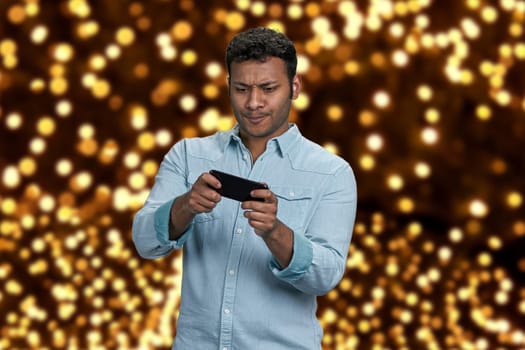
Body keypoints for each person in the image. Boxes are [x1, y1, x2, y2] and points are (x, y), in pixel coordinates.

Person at [132, 26, 357, 350]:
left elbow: (325, 277)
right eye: (241, 88)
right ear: (228, 86)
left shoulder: (332, 173)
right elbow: (144, 241)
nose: (253, 102)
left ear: (294, 87)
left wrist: (274, 232)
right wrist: (186, 206)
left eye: (268, 88)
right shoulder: (189, 155)